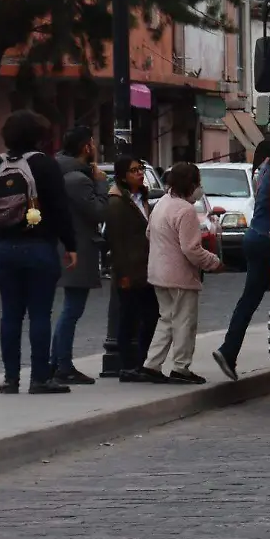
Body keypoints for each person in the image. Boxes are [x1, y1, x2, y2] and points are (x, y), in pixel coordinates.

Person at [0, 110, 78, 396]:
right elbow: (59, 208)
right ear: (38, 136)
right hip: (38, 246)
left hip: (4, 248)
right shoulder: (44, 164)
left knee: (10, 315)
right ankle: (39, 378)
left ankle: (10, 379)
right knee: (39, 314)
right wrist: (70, 245)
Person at [144, 162, 224, 384]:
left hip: (158, 272)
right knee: (184, 323)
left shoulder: (162, 203)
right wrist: (214, 263)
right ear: (190, 184)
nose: (200, 188)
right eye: (197, 183)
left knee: (166, 319)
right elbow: (191, 249)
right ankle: (181, 367)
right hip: (180, 276)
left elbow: (149, 233)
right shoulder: (185, 210)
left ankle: (152, 364)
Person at [51, 126, 110, 385]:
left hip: (68, 245)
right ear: (86, 147)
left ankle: (57, 362)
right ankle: (62, 364)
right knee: (72, 309)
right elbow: (99, 212)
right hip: (78, 247)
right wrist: (101, 183)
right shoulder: (77, 179)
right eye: (93, 143)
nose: (95, 147)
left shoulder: (60, 171)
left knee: (70, 308)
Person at [213, 139, 270, 381]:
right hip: (267, 240)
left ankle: (229, 350)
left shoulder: (263, 170)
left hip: (255, 236)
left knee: (248, 300)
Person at [104, 155, 162, 383]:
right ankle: (128, 366)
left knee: (150, 316)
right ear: (122, 176)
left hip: (146, 267)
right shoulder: (117, 203)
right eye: (134, 170)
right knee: (129, 318)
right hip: (129, 270)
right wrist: (123, 274)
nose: (139, 173)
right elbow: (116, 241)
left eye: (141, 169)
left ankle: (142, 362)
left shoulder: (142, 197)